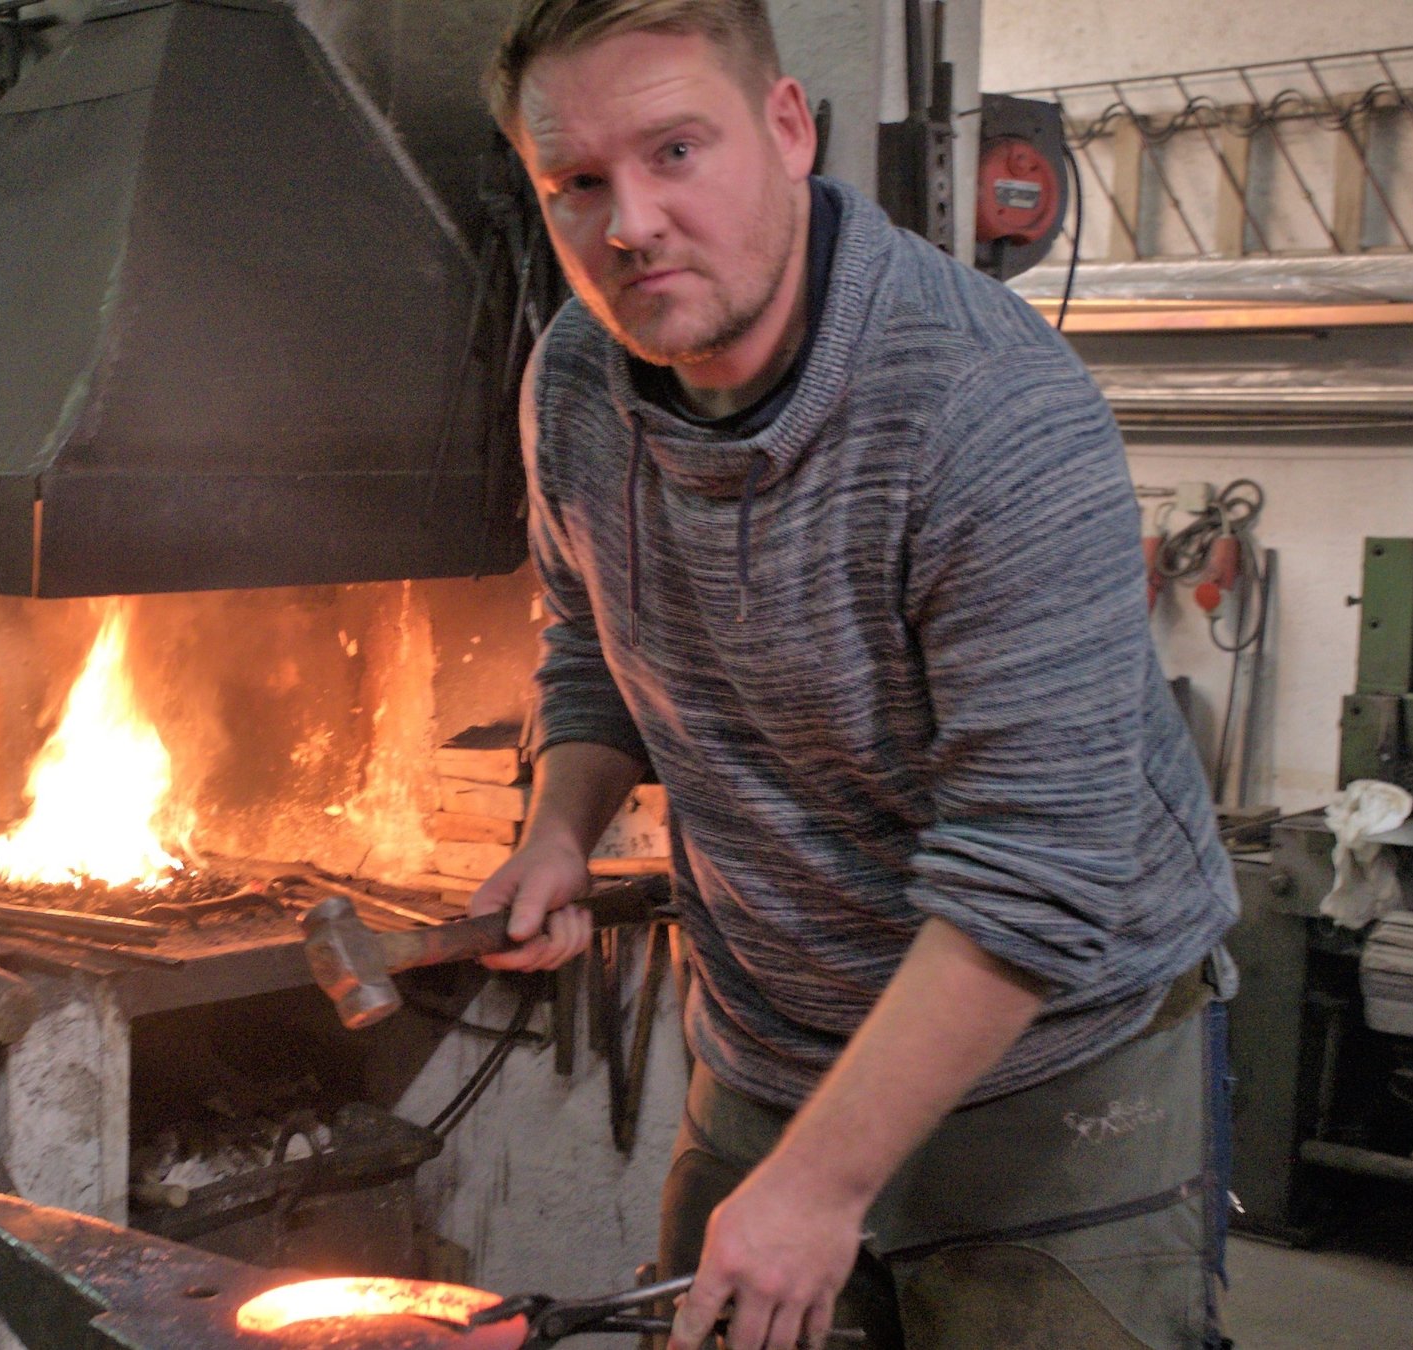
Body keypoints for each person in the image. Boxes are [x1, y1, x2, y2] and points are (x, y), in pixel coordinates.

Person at [464, 3, 1241, 1347]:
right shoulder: (576, 382)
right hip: (769, 1044)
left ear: (786, 128)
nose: (630, 224)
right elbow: (588, 637)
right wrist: (559, 831)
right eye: (577, 185)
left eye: (675, 152)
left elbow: (1037, 871)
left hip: (1057, 1076)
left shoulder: (988, 407)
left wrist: (822, 1185)